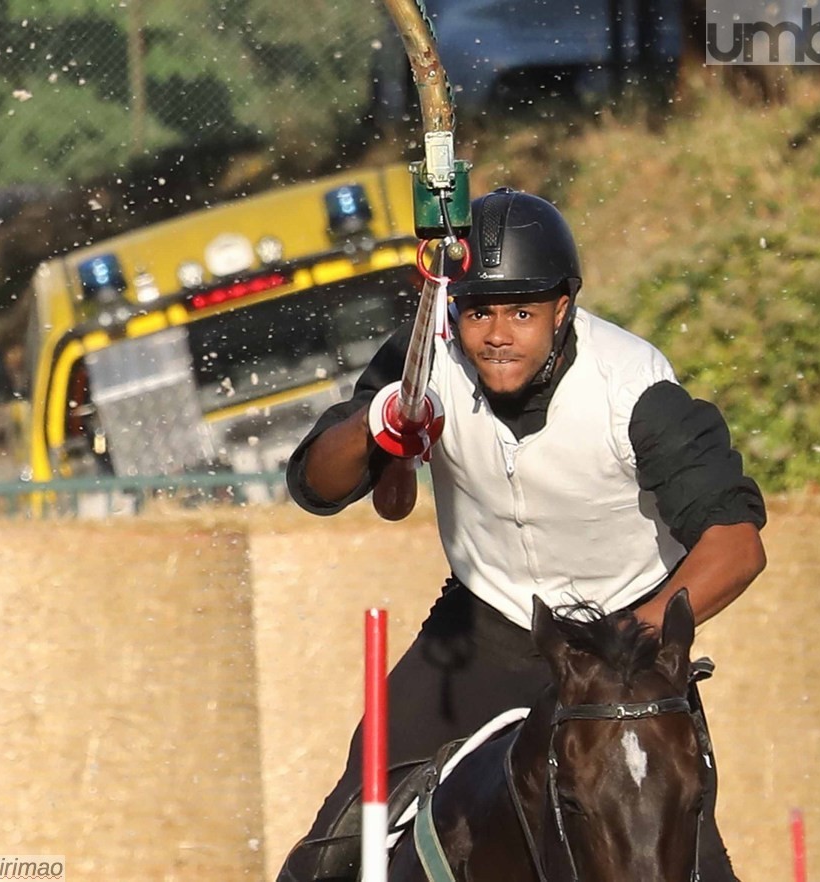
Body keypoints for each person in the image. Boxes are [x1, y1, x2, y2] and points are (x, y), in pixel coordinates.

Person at [277, 187, 767, 882]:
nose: (497, 334)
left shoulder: (635, 389)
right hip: (482, 630)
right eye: (479, 311)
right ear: (455, 308)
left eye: (523, 312)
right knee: (332, 852)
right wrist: (377, 422)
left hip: (624, 649)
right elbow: (316, 486)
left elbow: (736, 542)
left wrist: (626, 642)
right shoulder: (424, 357)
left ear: (563, 309)